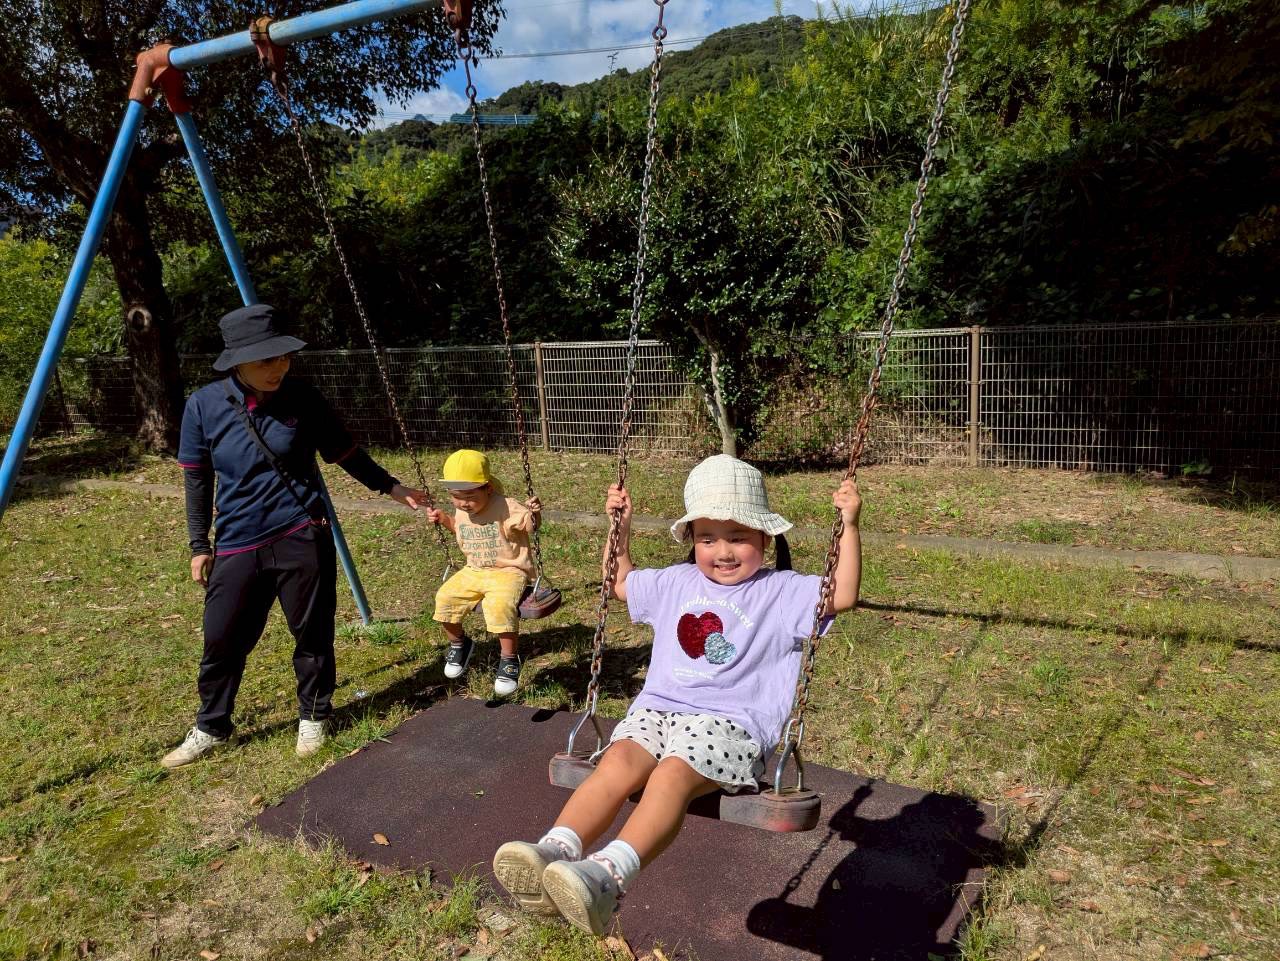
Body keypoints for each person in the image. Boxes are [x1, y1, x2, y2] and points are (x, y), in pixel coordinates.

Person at [492, 454, 862, 936]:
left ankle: (607, 877)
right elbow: (619, 582)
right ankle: (555, 849)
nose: (723, 551)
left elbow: (842, 594)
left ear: (765, 539)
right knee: (616, 762)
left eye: (738, 537)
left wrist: (849, 525)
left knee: (669, 775)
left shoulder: (780, 591)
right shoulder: (675, 582)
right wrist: (620, 529)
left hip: (730, 725)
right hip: (659, 711)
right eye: (707, 538)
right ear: (691, 539)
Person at [162, 304, 426, 769]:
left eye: (283, 357)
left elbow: (344, 451)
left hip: (300, 529)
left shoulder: (302, 397)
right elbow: (197, 478)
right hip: (238, 538)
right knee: (222, 636)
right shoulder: (203, 405)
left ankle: (314, 715)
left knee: (312, 632)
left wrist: (390, 487)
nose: (278, 368)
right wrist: (199, 545)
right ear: (237, 362)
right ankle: (212, 725)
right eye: (266, 360)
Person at [424, 449, 542, 696]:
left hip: (508, 571)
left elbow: (531, 526)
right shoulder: (462, 510)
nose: (463, 503)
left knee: (499, 606)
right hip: (474, 569)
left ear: (488, 488)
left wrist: (534, 513)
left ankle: (509, 659)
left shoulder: (506, 506)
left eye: (469, 496)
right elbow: (462, 531)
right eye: (456, 497)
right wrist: (445, 519)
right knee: (444, 598)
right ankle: (460, 643)